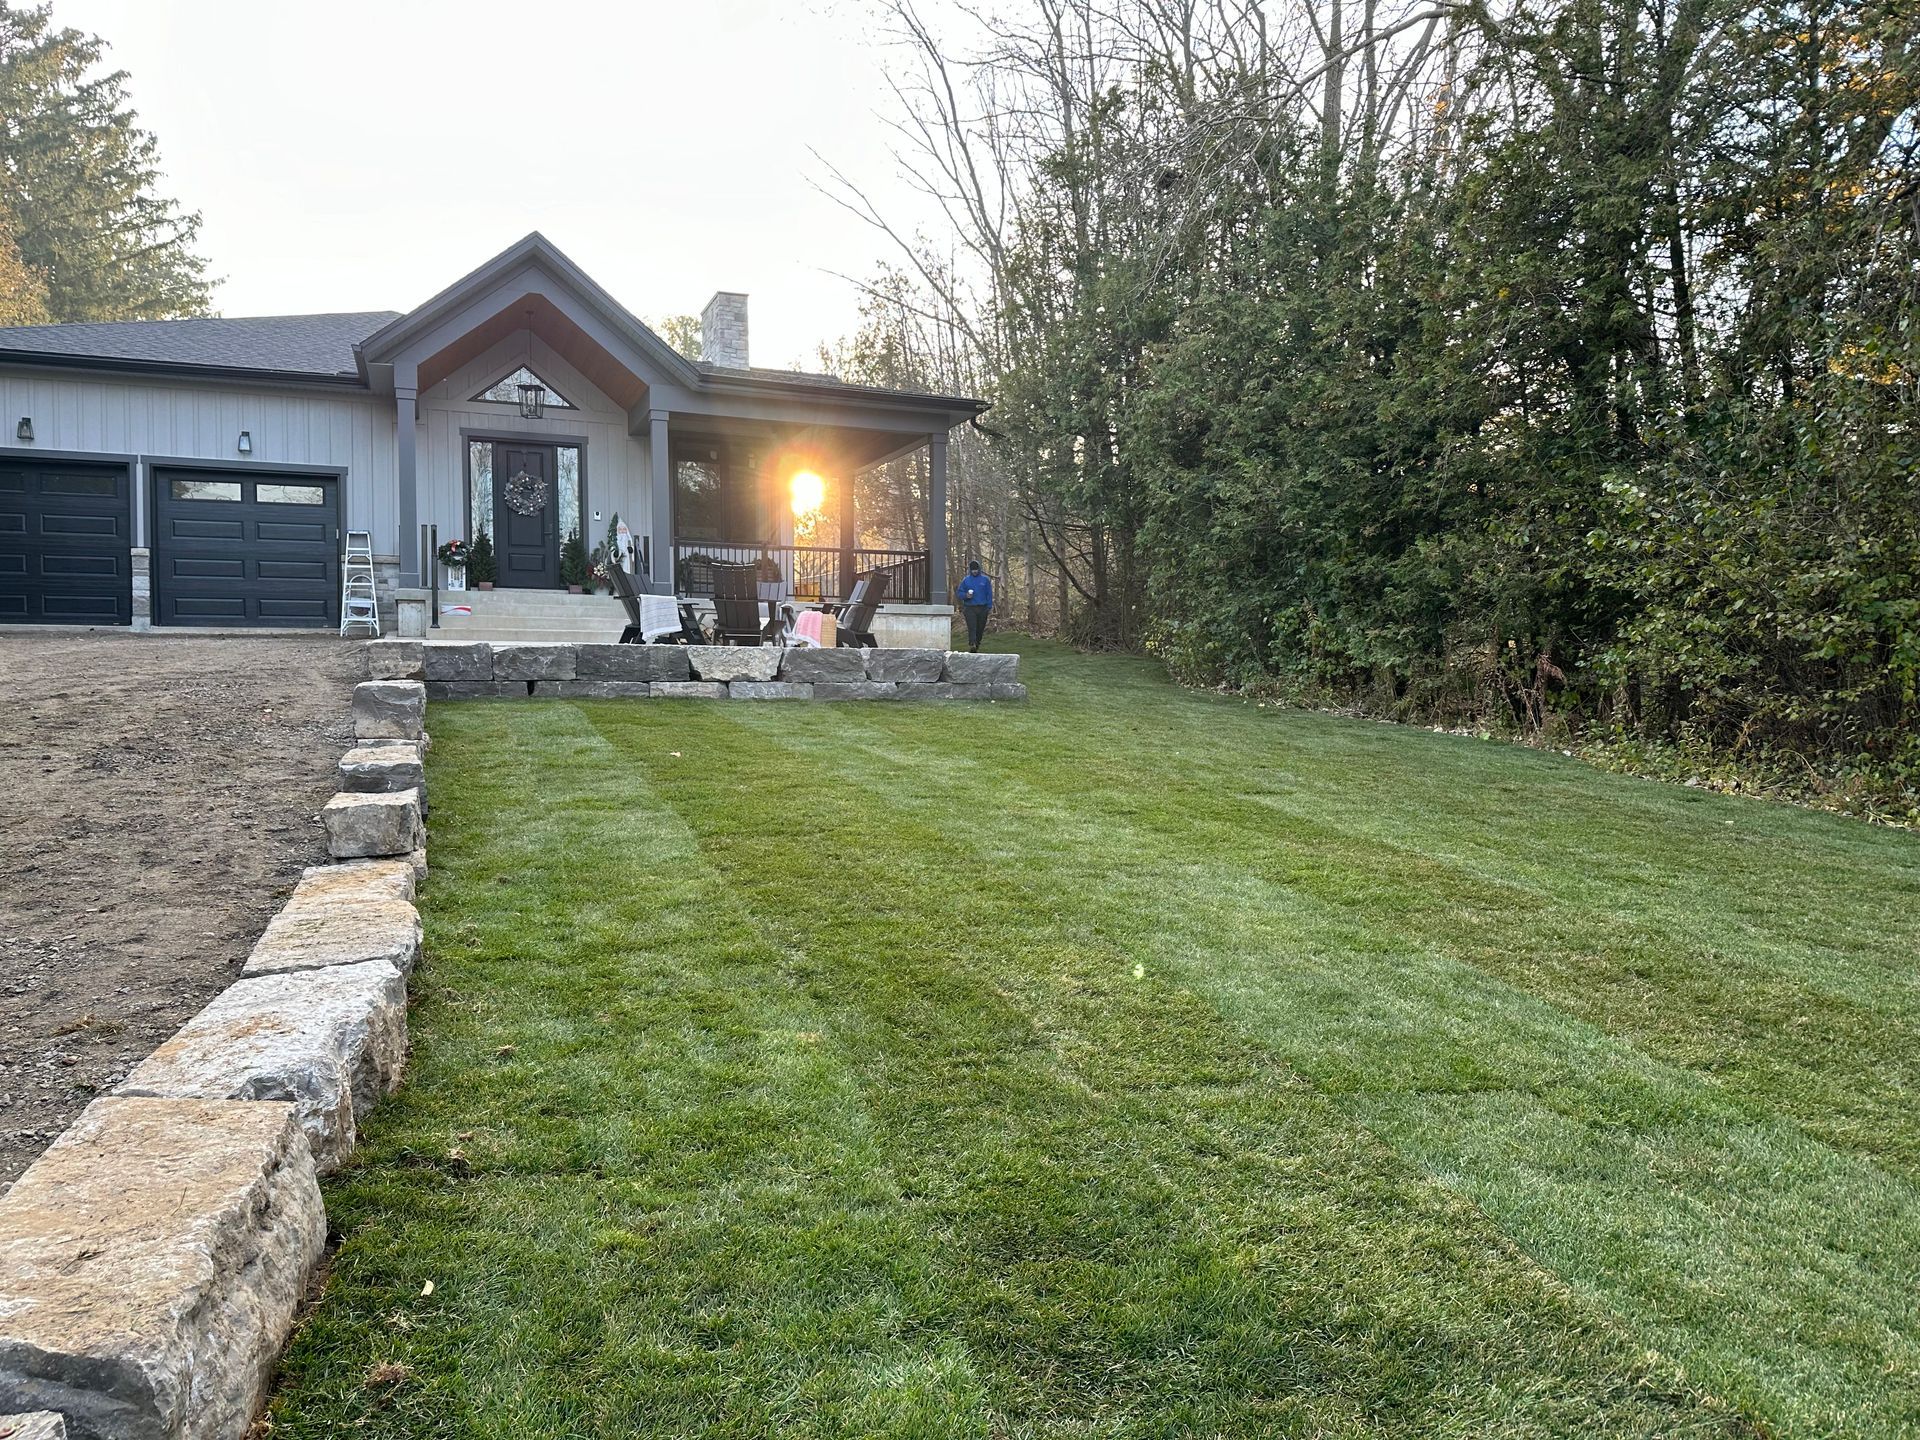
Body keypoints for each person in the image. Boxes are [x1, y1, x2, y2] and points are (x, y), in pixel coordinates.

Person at [955, 559, 993, 652]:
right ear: (970, 570)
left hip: (983, 607)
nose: (974, 571)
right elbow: (959, 592)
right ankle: (972, 644)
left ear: (979, 569)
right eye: (973, 570)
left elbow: (989, 593)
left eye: (976, 569)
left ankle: (978, 642)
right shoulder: (966, 580)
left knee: (980, 627)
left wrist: (989, 606)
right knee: (972, 626)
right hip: (970, 607)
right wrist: (966, 596)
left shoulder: (985, 580)